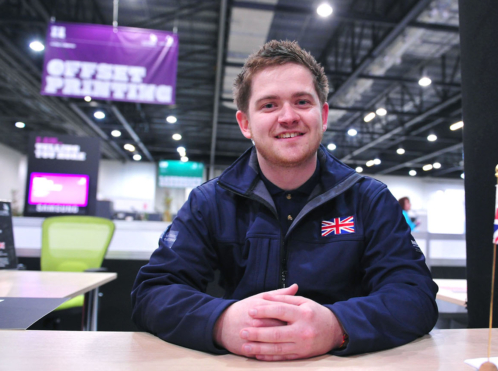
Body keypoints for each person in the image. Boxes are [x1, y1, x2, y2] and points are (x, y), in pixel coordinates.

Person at [131, 40, 438, 361]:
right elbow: (152, 292)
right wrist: (221, 321)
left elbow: (414, 294)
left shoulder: (368, 199)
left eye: (302, 102)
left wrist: (338, 325)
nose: (288, 117)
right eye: (269, 105)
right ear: (245, 123)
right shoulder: (209, 202)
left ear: (323, 114)